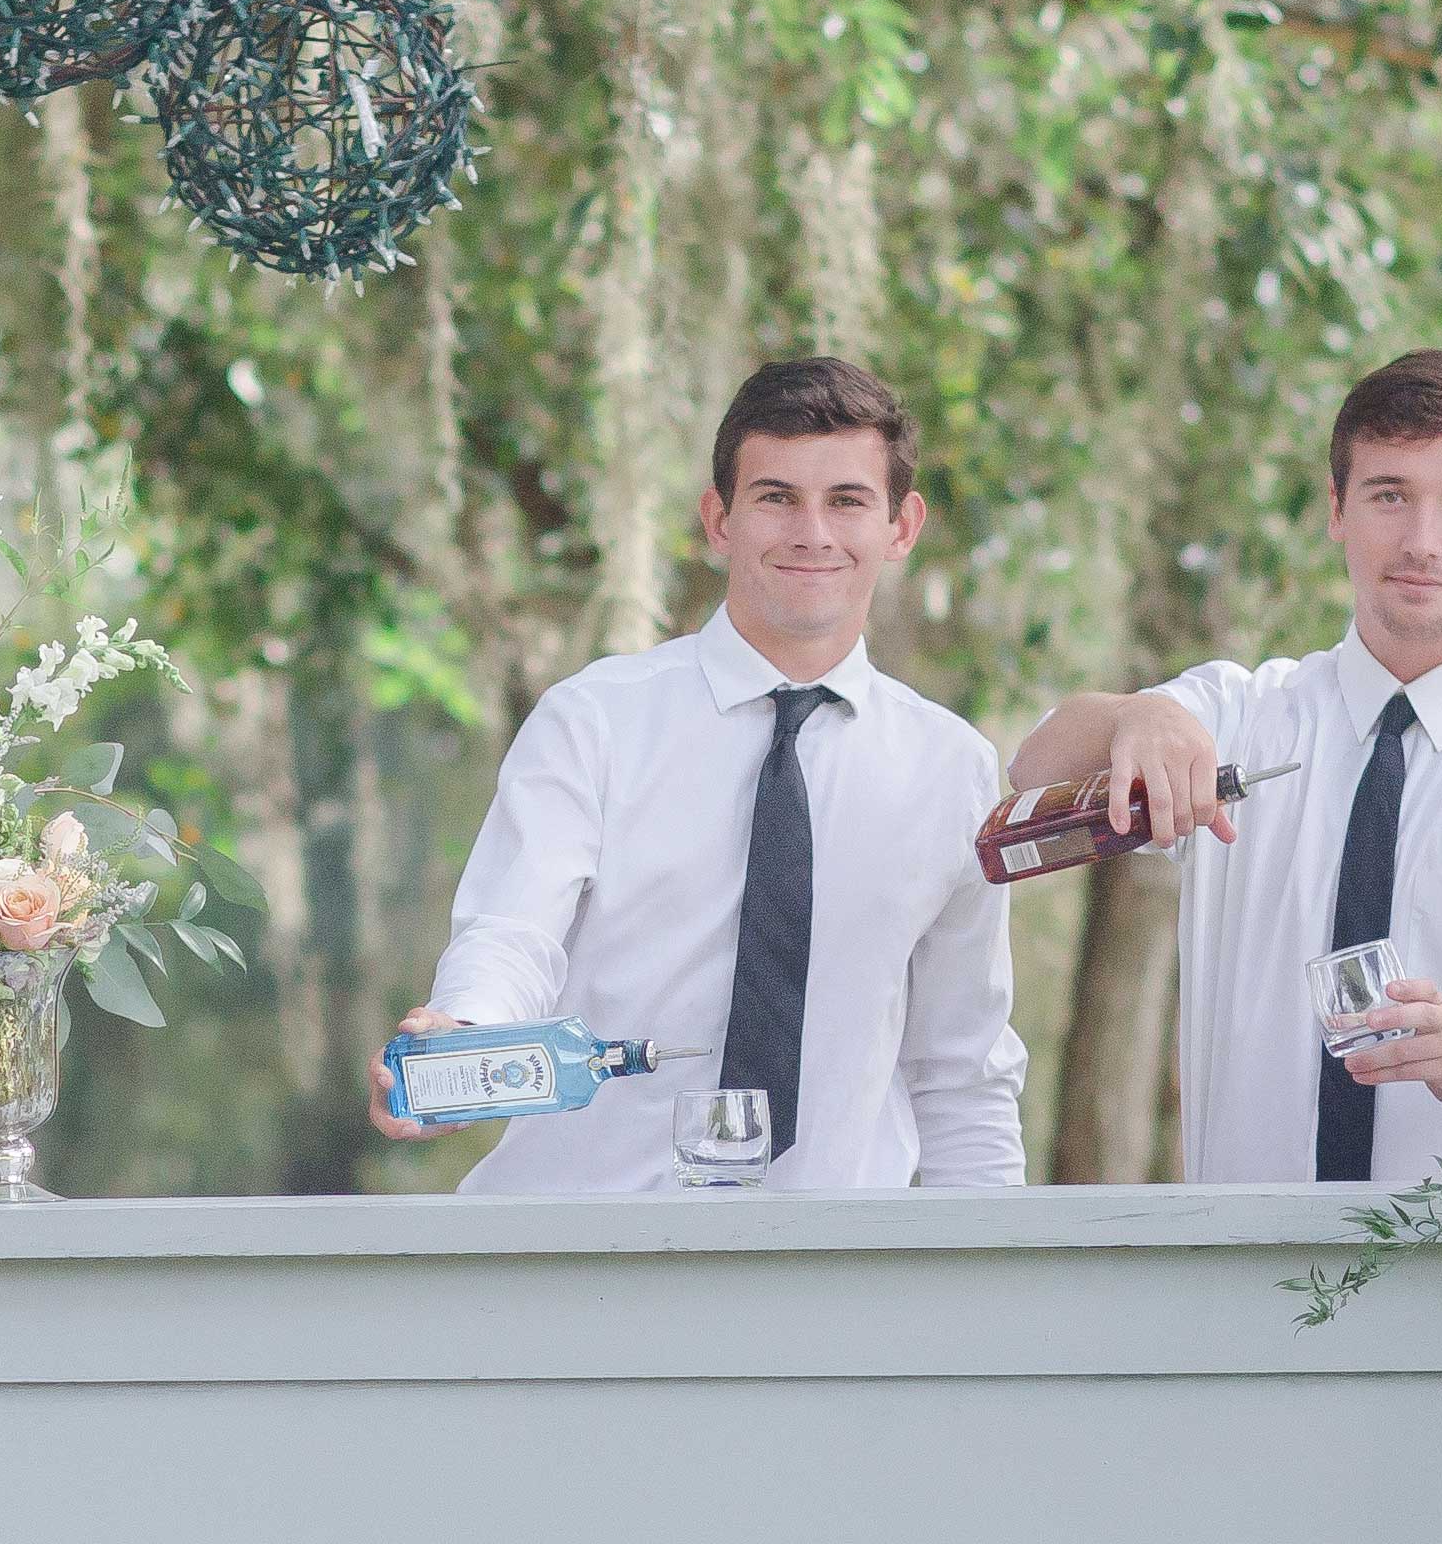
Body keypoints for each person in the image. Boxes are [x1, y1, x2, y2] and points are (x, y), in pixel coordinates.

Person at [1005, 349, 1442, 1185]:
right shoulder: (1240, 719)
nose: (1422, 542)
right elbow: (1032, 771)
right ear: (1335, 508)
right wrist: (1132, 716)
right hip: (1252, 1254)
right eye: (1389, 495)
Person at [374, 356, 1026, 1194]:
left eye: (847, 501)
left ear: (902, 527)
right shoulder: (595, 720)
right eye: (776, 497)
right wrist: (466, 1032)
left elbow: (962, 1070)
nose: (812, 533)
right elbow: (513, 932)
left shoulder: (953, 769)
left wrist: (992, 1263)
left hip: (832, 1260)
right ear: (719, 520)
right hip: (583, 1245)